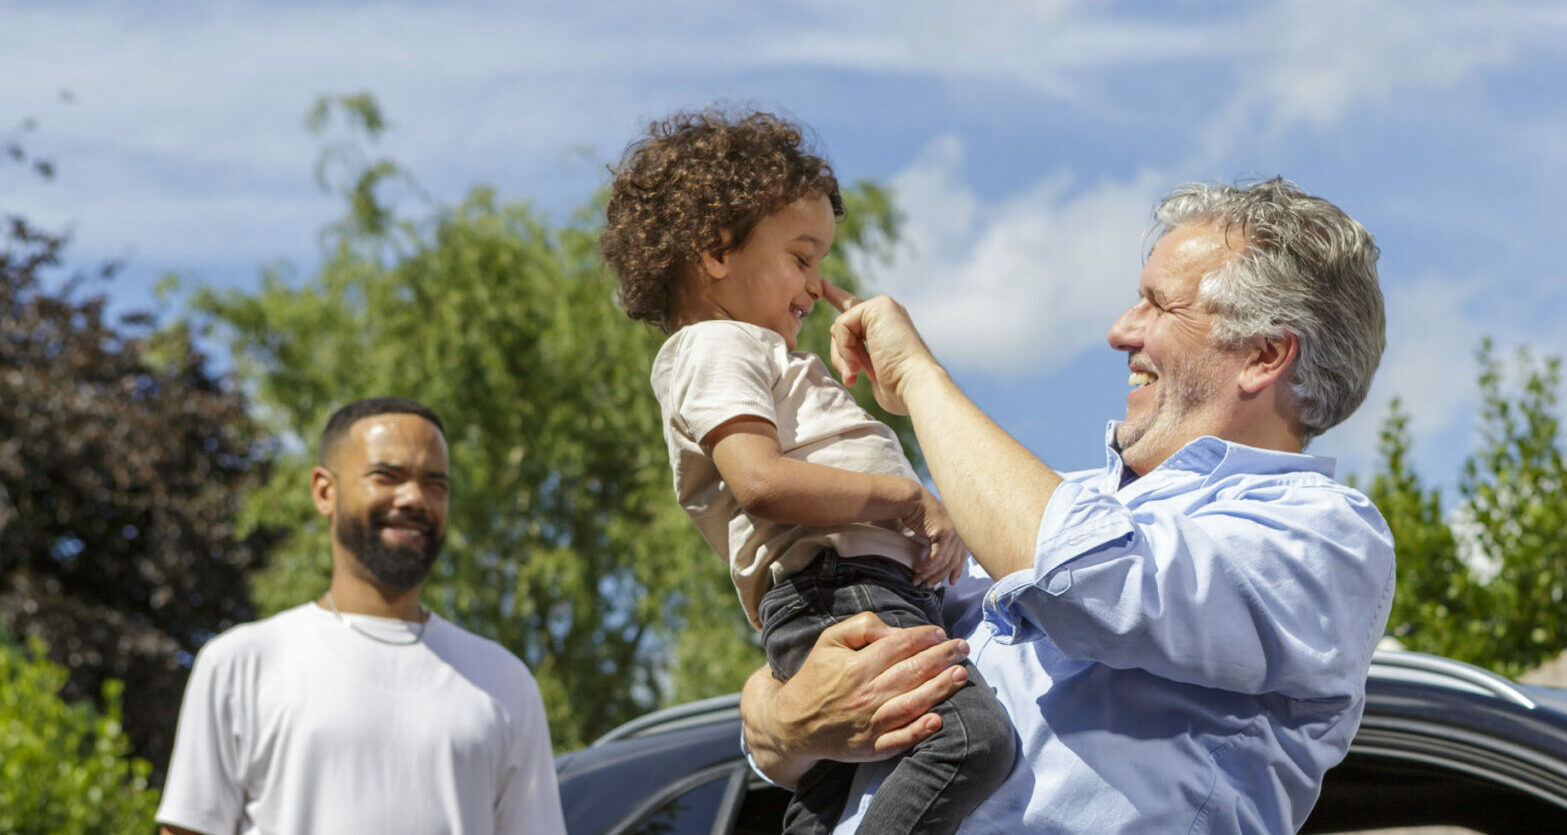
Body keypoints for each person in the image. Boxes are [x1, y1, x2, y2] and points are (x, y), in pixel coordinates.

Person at [741, 177, 1397, 833]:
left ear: (1264, 354)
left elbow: (1082, 575)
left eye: (1156, 305)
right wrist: (782, 721)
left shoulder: (1327, 537)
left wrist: (919, 376)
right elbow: (818, 649)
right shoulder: (1042, 500)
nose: (1119, 331)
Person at [599, 107, 1015, 835]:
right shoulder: (714, 346)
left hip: (852, 588)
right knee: (967, 740)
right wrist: (906, 498)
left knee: (830, 799)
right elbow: (759, 480)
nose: (816, 287)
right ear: (714, 249)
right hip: (836, 589)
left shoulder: (753, 351)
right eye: (800, 257)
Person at [156, 398, 565, 835]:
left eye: (435, 484)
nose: (414, 498)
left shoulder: (504, 681)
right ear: (324, 491)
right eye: (386, 476)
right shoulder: (242, 663)